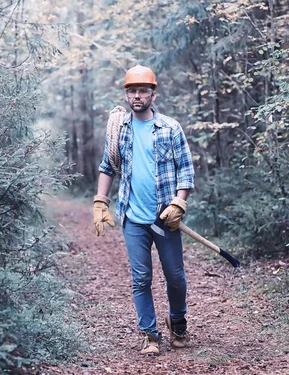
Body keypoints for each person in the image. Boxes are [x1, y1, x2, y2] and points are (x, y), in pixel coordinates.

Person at [93, 64, 195, 355]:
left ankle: (178, 323)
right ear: (126, 94)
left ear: (153, 93)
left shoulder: (170, 128)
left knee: (175, 276)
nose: (137, 96)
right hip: (133, 219)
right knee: (141, 279)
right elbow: (107, 167)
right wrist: (101, 200)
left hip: (165, 217)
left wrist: (179, 202)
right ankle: (149, 334)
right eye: (132, 91)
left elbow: (185, 170)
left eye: (142, 90)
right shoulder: (118, 129)